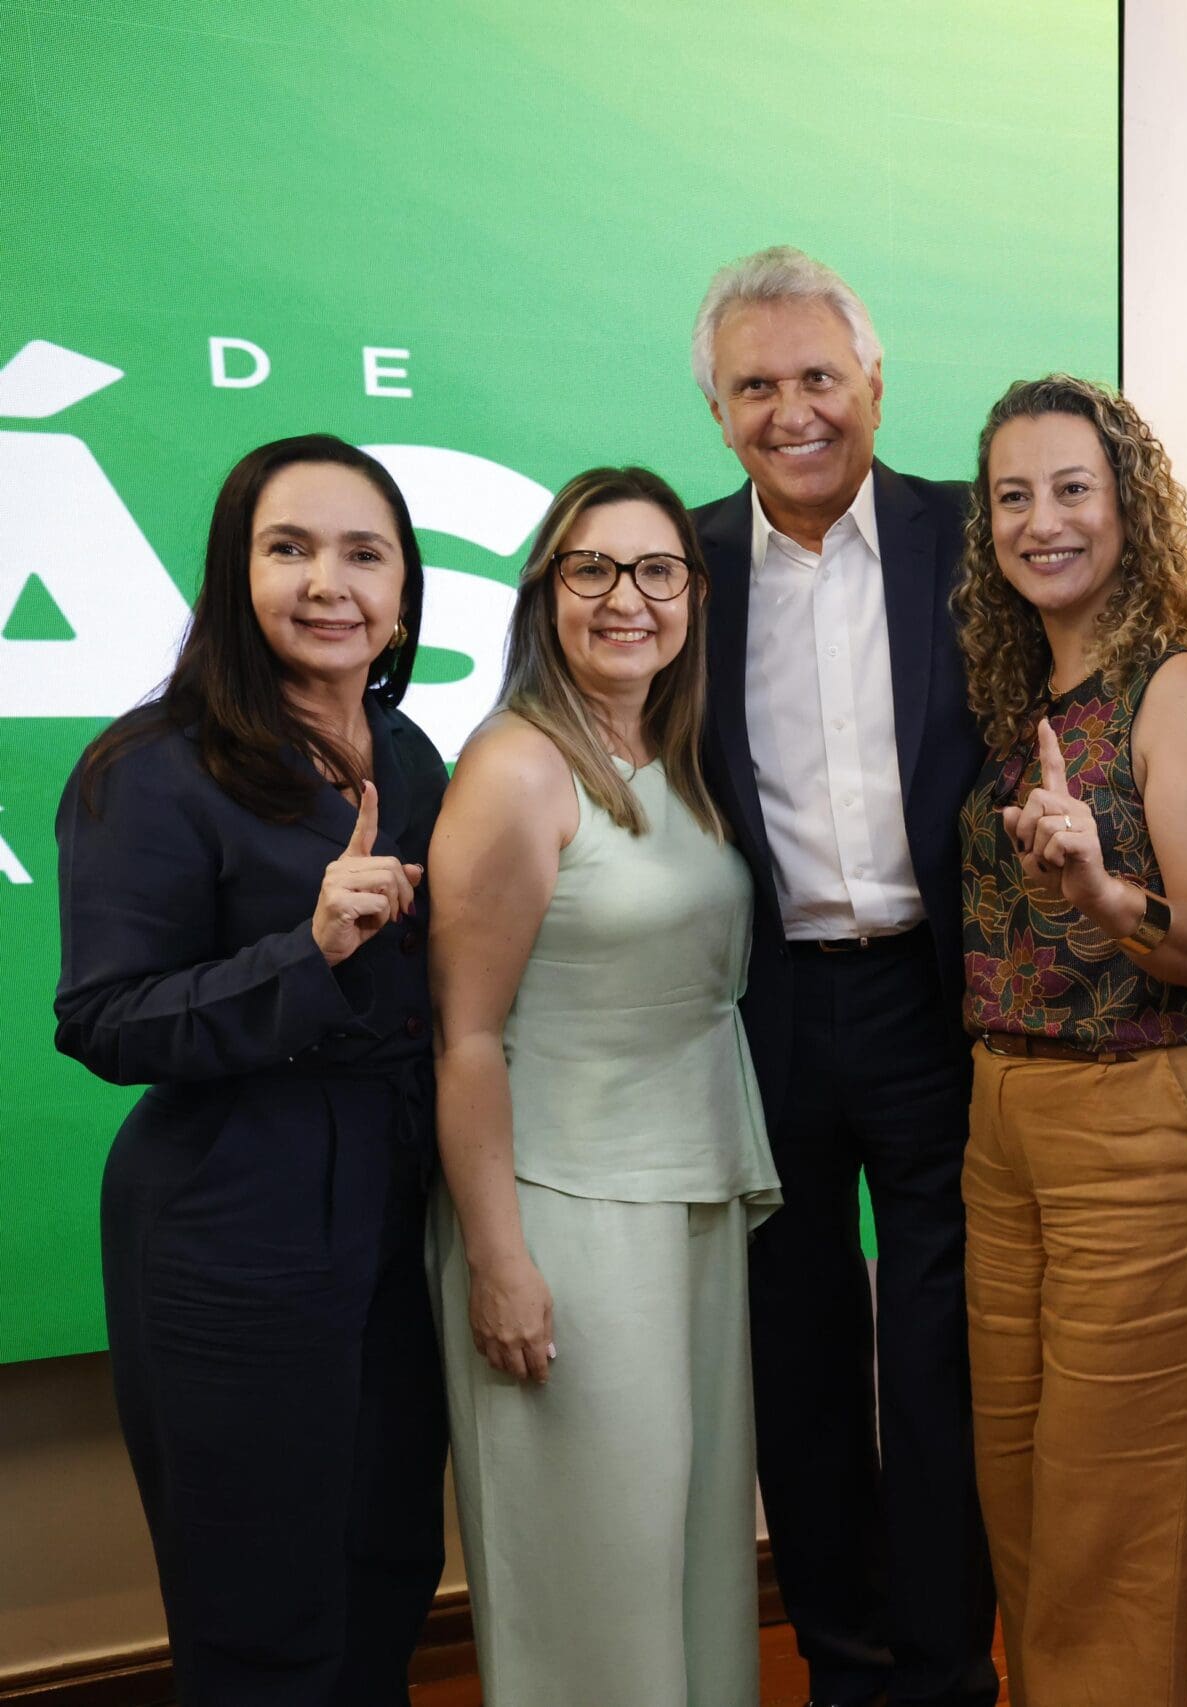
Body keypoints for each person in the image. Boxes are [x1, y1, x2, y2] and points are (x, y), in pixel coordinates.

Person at [686, 245, 1187, 1707]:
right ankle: (850, 1664)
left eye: (819, 376)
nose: (794, 411)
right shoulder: (679, 566)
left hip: (940, 1008)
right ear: (716, 408)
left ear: (874, 384)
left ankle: (955, 1667)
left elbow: (1154, 647)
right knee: (805, 1362)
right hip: (769, 1005)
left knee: (960, 1383)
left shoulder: (972, 539)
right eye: (755, 385)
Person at [54, 434, 445, 1705]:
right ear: (237, 573)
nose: (328, 582)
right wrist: (311, 948)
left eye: (362, 553)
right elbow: (105, 1020)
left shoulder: (417, 754)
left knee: (387, 1566)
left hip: (398, 1212)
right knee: (258, 1609)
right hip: (234, 1224)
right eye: (290, 549)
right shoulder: (150, 765)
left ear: (402, 591)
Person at [948, 373, 1187, 1703]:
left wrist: (1101, 893)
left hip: (1155, 1136)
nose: (1042, 521)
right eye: (1014, 496)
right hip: (1006, 1127)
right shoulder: (1026, 685)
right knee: (1024, 1511)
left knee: (1109, 1534)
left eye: (1072, 488)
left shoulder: (1180, 691)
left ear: (1130, 506)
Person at [424, 467, 779, 1703]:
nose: (627, 598)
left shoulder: (672, 753)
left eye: (657, 571)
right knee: (594, 1580)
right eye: (593, 569)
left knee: (686, 1561)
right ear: (544, 592)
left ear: (692, 594)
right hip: (564, 1211)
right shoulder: (517, 769)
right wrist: (500, 1260)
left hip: (688, 1195)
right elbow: (464, 1038)